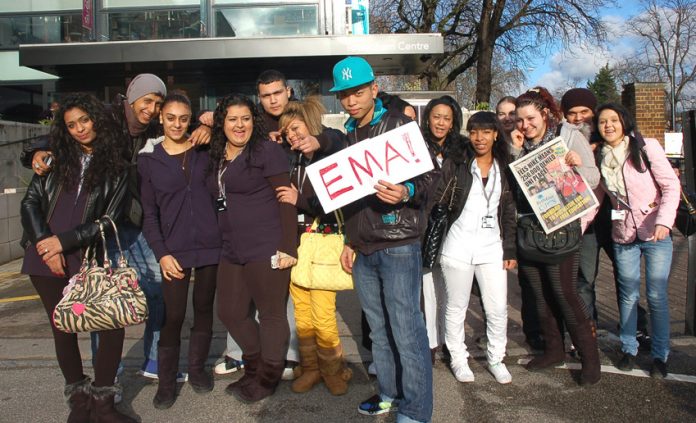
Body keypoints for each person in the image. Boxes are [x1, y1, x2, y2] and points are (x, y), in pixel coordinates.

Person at [25, 73, 212, 381]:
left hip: (135, 219)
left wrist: (205, 125)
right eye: (147, 101)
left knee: (157, 288)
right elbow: (68, 131)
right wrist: (37, 150)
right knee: (104, 295)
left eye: (157, 103)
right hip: (102, 224)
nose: (152, 109)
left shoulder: (156, 125)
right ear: (131, 98)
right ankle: (107, 371)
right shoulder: (105, 118)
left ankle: (154, 361)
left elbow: (180, 129)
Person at [20, 93, 133, 422]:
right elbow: (29, 204)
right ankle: (79, 403)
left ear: (97, 119)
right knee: (63, 330)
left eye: (85, 120)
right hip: (43, 258)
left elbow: (111, 219)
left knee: (112, 325)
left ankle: (103, 403)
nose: (80, 129)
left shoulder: (117, 166)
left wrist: (63, 242)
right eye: (72, 125)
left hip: (87, 256)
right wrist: (45, 243)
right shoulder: (53, 161)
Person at [333, 56, 433, 423]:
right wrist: (349, 240)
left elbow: (429, 182)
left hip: (398, 244)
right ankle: (390, 393)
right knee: (378, 330)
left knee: (407, 330)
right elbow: (351, 200)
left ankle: (417, 409)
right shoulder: (347, 136)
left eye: (357, 92)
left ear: (374, 89)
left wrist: (405, 191)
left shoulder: (400, 126)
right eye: (344, 95)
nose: (351, 101)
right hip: (364, 248)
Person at [510, 87, 601, 386]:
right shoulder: (518, 142)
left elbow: (593, 177)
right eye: (520, 120)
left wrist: (577, 162)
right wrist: (514, 148)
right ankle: (553, 351)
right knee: (539, 295)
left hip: (561, 228)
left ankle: (590, 359)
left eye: (531, 118)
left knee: (565, 294)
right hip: (529, 229)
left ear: (545, 114)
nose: (526, 125)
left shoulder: (569, 135)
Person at [210, 93, 297, 402]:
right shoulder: (218, 155)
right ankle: (254, 366)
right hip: (231, 248)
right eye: (232, 119)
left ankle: (269, 376)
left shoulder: (266, 151)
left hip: (267, 246)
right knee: (230, 311)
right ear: (222, 122)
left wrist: (289, 247)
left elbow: (286, 197)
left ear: (253, 121)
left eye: (245, 118)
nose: (239, 125)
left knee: (272, 314)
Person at [137, 93, 221, 409]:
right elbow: (149, 213)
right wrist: (161, 253)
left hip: (210, 245)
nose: (177, 124)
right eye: (171, 117)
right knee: (173, 316)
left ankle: (197, 370)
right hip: (173, 250)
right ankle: (167, 382)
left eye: (183, 118)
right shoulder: (149, 159)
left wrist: (210, 129)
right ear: (161, 118)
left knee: (203, 308)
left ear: (191, 119)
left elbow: (235, 123)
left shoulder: (204, 150)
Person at [593, 103, 680, 378]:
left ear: (623, 122)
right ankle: (629, 349)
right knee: (628, 295)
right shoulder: (600, 158)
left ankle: (660, 355)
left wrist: (665, 220)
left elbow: (670, 185)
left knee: (656, 295)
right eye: (602, 122)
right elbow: (596, 200)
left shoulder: (646, 147)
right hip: (623, 235)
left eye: (613, 120)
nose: (608, 126)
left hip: (655, 232)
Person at [560, 88, 651, 348]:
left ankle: (637, 326)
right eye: (572, 113)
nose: (579, 118)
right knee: (585, 279)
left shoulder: (614, 141)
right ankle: (587, 331)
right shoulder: (565, 142)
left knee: (625, 276)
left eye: (585, 113)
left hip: (616, 220)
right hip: (586, 222)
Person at [275, 97, 353, 395]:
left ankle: (333, 370)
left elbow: (339, 140)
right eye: (286, 131)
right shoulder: (288, 158)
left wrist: (301, 200)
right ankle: (310, 369)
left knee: (323, 314)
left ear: (309, 125)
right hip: (297, 247)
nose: (291, 135)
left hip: (323, 245)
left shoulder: (328, 154)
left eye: (295, 128)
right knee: (303, 316)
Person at [435, 111, 517, 384]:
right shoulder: (457, 164)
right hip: (457, 246)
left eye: (485, 131)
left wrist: (510, 250)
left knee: (497, 308)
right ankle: (458, 358)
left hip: (491, 247)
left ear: (496, 134)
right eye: (474, 131)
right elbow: (439, 199)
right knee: (456, 306)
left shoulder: (504, 167)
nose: (479, 138)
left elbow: (508, 211)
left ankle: (496, 357)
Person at [420, 95, 465, 361]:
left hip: (453, 225)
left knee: (450, 288)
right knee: (427, 288)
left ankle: (451, 341)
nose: (441, 122)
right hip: (424, 225)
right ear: (427, 118)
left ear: (453, 122)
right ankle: (430, 343)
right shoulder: (416, 145)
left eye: (447, 118)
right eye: (436, 116)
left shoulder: (462, 149)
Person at [496, 95, 542, 350]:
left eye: (511, 112)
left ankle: (538, 333)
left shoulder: (529, 140)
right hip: (505, 220)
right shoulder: (494, 141)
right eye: (501, 113)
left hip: (529, 220)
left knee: (533, 280)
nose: (508, 118)